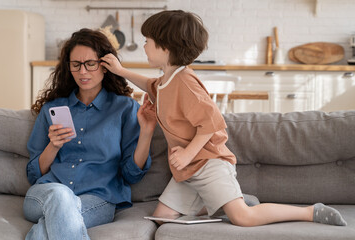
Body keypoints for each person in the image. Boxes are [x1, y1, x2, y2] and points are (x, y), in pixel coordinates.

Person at [101, 10, 347, 227]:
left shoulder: (185, 82)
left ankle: (309, 212)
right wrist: (120, 71)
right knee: (162, 218)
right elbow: (150, 85)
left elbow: (212, 123)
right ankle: (222, 201)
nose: (144, 46)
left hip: (209, 163)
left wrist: (187, 153)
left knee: (243, 218)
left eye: (148, 41)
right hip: (187, 171)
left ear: (165, 47)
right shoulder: (167, 79)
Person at [24, 28, 157, 240]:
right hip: (45, 195)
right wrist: (54, 146)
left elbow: (131, 173)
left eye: (90, 64)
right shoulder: (52, 108)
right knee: (60, 195)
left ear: (105, 66)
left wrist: (147, 131)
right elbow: (34, 174)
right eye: (76, 64)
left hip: (98, 197)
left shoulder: (124, 108)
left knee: (43, 231)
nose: (83, 72)